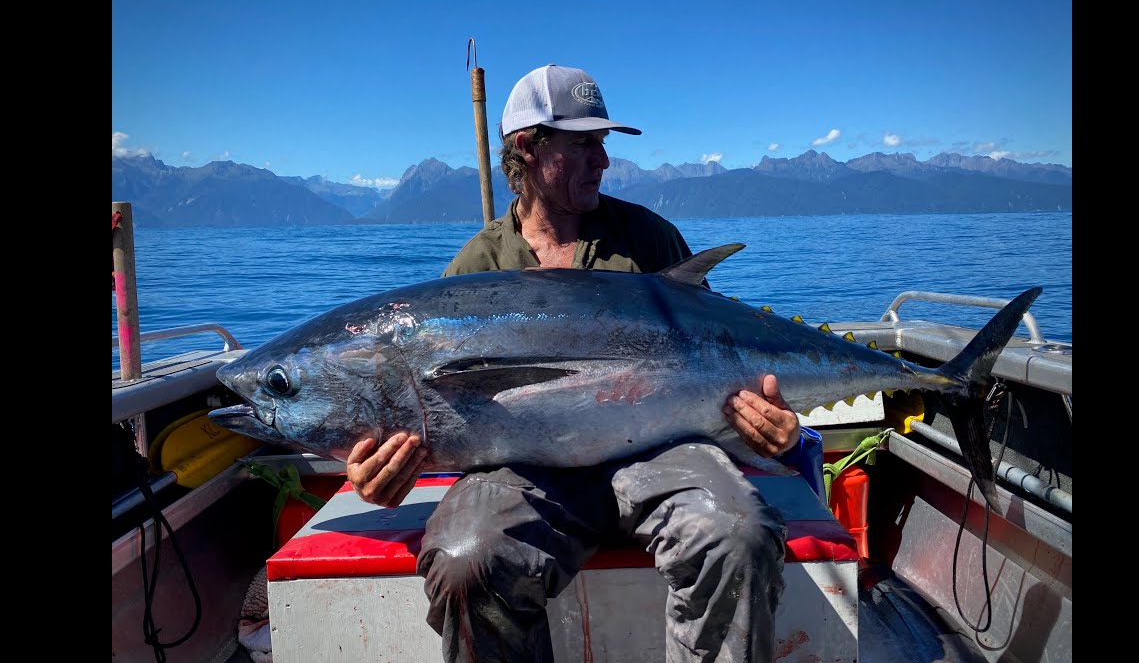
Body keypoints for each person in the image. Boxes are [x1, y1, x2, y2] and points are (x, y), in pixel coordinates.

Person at [346, 64, 819, 663]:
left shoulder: (647, 239)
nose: (604, 160)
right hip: (525, 471)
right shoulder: (478, 265)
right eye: (584, 144)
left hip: (663, 454)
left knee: (737, 533)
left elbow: (720, 356)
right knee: (465, 562)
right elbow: (429, 407)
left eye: (603, 143)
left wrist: (773, 426)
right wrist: (379, 472)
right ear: (528, 147)